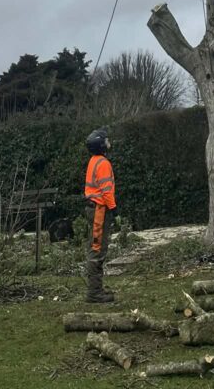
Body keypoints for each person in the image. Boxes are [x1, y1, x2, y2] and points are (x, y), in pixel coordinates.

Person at [83, 127, 117, 303]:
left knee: (95, 247)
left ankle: (97, 288)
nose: (109, 143)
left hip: (93, 208)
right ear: (101, 145)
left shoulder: (93, 161)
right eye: (106, 141)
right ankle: (94, 293)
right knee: (97, 250)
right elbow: (106, 190)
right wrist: (113, 208)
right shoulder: (103, 163)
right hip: (99, 211)